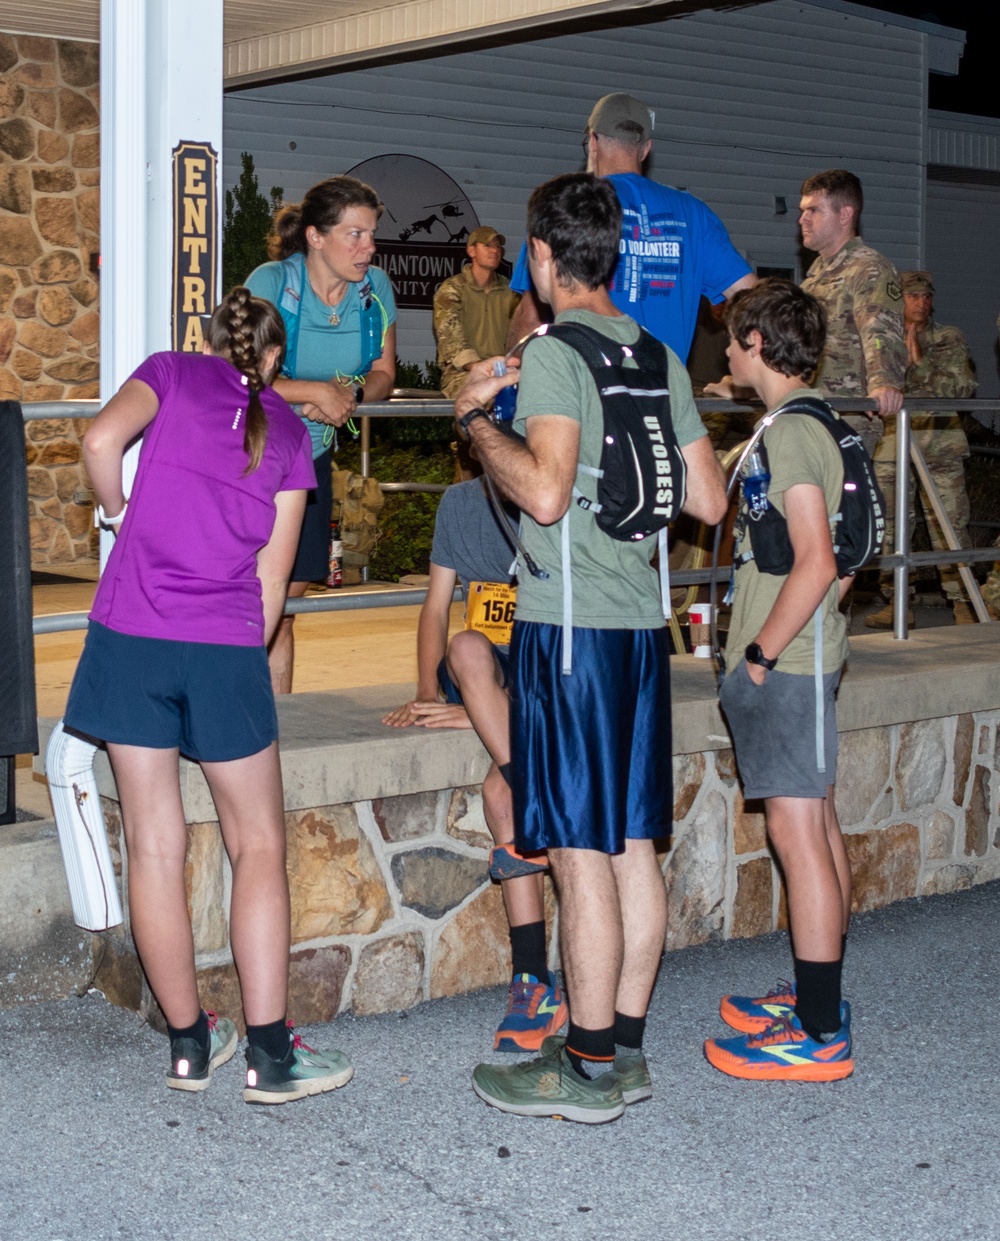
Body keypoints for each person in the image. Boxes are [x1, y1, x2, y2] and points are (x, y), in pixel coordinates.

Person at [454, 171, 727, 1124]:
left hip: (568, 631)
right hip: (642, 633)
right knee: (633, 846)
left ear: (539, 257)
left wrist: (479, 422)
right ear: (611, 256)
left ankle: (584, 1064)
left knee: (577, 851)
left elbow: (543, 492)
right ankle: (626, 1051)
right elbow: (708, 500)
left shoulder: (561, 354)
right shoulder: (655, 350)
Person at [62, 288, 353, 1104]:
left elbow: (97, 440)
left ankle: (190, 1043)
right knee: (255, 844)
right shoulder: (292, 434)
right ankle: (269, 1055)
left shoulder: (170, 372)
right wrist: (231, 663)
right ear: (272, 360)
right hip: (224, 644)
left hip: (130, 636)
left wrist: (119, 514)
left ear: (211, 341)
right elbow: (271, 594)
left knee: (156, 844)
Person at [704, 279, 855, 1082]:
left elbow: (820, 559)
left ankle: (821, 1031)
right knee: (816, 829)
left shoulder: (795, 434)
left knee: (799, 839)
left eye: (732, 341)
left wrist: (759, 654)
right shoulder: (807, 421)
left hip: (788, 666)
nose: (725, 353)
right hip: (803, 661)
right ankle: (815, 995)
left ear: (758, 344)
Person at [381, 477, 566, 1051]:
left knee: (502, 798)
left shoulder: (553, 491)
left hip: (549, 671)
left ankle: (532, 979)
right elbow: (436, 608)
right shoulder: (458, 504)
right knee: (463, 645)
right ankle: (534, 983)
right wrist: (428, 695)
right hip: (483, 673)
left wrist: (480, 718)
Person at [246, 176, 397, 694]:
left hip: (310, 462)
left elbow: (383, 373)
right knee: (243, 599)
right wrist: (310, 390)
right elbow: (239, 370)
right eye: (354, 234)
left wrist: (347, 396)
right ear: (315, 236)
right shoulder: (271, 283)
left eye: (371, 234)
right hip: (252, 457)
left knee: (284, 606)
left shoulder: (375, 290)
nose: (368, 247)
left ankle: (275, 724)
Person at [504, 92, 755, 360]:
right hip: (665, 394)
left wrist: (509, 375)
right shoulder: (694, 214)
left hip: (588, 392)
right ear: (646, 149)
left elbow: (531, 314)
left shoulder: (567, 206)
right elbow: (753, 296)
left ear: (592, 142)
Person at [867, 270, 986, 628]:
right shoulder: (882, 340)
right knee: (889, 525)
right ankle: (897, 600)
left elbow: (962, 387)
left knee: (950, 526)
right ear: (898, 300)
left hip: (940, 443)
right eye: (913, 296)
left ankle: (962, 600)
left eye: (926, 296)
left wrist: (919, 365)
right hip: (892, 444)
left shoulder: (948, 338)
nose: (921, 303)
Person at [433, 226, 520, 399]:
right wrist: (483, 369)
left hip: (504, 372)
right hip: (462, 373)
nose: (494, 250)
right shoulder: (452, 289)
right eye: (488, 245)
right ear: (471, 250)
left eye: (497, 246)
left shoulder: (511, 292)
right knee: (483, 395)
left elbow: (522, 335)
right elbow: (452, 340)